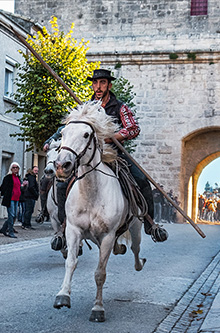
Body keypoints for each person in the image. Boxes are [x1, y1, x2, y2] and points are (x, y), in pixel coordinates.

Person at [46, 69, 168, 249]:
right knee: (62, 183)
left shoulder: (120, 107)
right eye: (95, 83)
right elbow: (69, 127)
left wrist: (113, 137)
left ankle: (150, 224)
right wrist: (51, 140)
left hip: (113, 154)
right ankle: (64, 228)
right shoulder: (87, 107)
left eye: (102, 83)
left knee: (141, 180)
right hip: (87, 154)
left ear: (109, 85)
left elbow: (133, 128)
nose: (98, 87)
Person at [0, 162, 22, 238]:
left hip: (17, 199)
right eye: (14, 167)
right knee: (11, 215)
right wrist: (8, 193)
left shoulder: (18, 177)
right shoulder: (8, 177)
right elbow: (2, 188)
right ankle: (10, 231)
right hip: (10, 199)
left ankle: (4, 228)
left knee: (14, 215)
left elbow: (19, 188)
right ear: (11, 169)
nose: (15, 169)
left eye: (17, 168)